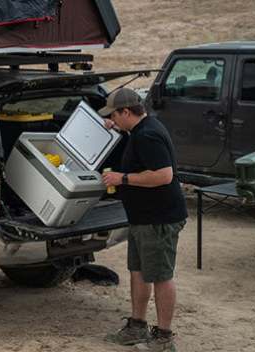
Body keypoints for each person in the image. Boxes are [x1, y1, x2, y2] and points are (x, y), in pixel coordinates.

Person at [99, 88, 188, 352]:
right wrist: (115, 129)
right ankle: (137, 326)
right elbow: (138, 154)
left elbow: (163, 175)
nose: (112, 119)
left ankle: (164, 337)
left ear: (126, 111)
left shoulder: (148, 135)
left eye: (114, 114)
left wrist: (122, 179)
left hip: (159, 219)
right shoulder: (140, 129)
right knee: (138, 272)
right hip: (142, 218)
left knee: (160, 275)